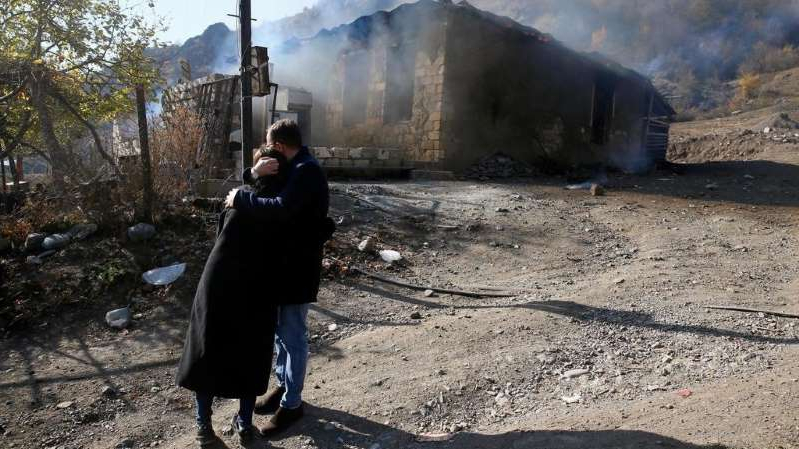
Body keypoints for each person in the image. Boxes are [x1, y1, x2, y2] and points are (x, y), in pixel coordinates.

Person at [225, 119, 333, 436]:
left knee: (293, 334)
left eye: (272, 146)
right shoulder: (291, 166)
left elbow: (282, 207)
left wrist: (240, 199)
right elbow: (257, 184)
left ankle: (293, 404)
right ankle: (284, 387)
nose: (269, 151)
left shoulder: (305, 171)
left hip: (297, 268)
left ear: (282, 145)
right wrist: (253, 176)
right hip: (282, 266)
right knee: (280, 334)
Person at [177, 147, 290, 447]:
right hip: (257, 288)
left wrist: (250, 176)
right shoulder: (280, 206)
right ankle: (245, 425)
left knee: (208, 353)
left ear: (257, 169)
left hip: (218, 283)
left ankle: (204, 428)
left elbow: (220, 234)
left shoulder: (236, 197)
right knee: (250, 356)